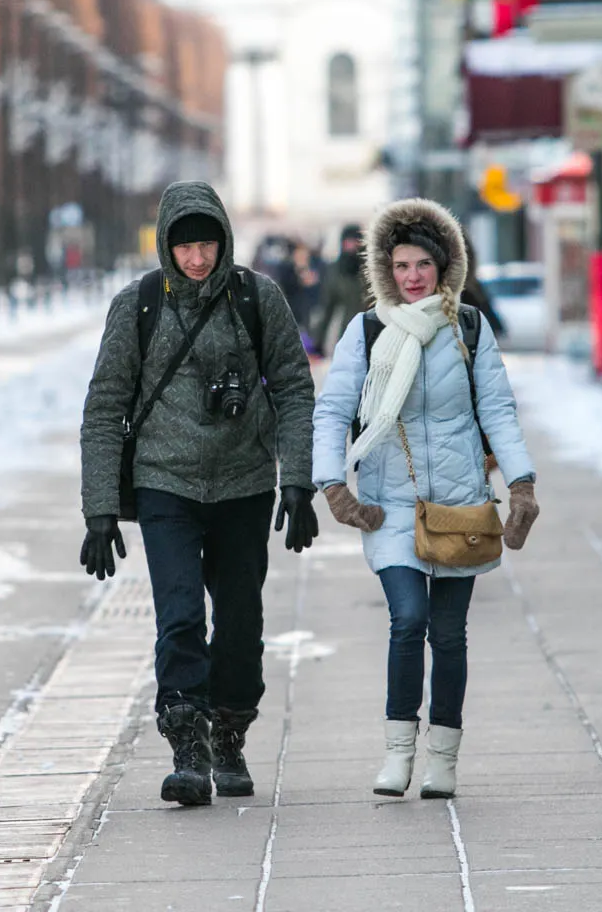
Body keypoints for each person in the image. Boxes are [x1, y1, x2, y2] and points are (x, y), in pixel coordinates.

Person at [78, 181, 318, 807]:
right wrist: (100, 509)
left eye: (207, 243)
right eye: (184, 246)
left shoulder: (257, 297)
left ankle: (231, 731)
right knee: (180, 617)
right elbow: (105, 407)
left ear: (224, 240)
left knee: (240, 622)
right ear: (165, 244)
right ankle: (189, 747)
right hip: (166, 485)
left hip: (243, 484)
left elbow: (294, 388)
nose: (197, 259)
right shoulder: (138, 307)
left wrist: (296, 481)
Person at [312, 198, 538, 800]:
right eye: (402, 265)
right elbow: (332, 411)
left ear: (445, 268)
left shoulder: (469, 327)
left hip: (462, 503)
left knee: (451, 634)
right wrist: (333, 485)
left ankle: (444, 759)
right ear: (388, 270)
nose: (413, 276)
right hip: (390, 504)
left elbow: (497, 410)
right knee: (407, 619)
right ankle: (397, 753)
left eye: (424, 265)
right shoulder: (367, 331)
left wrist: (521, 484)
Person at [312, 224, 369, 356]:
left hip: (373, 331)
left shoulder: (372, 269)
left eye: (356, 241)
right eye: (348, 242)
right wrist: (318, 342)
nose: (352, 246)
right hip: (348, 333)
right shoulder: (336, 271)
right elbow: (327, 308)